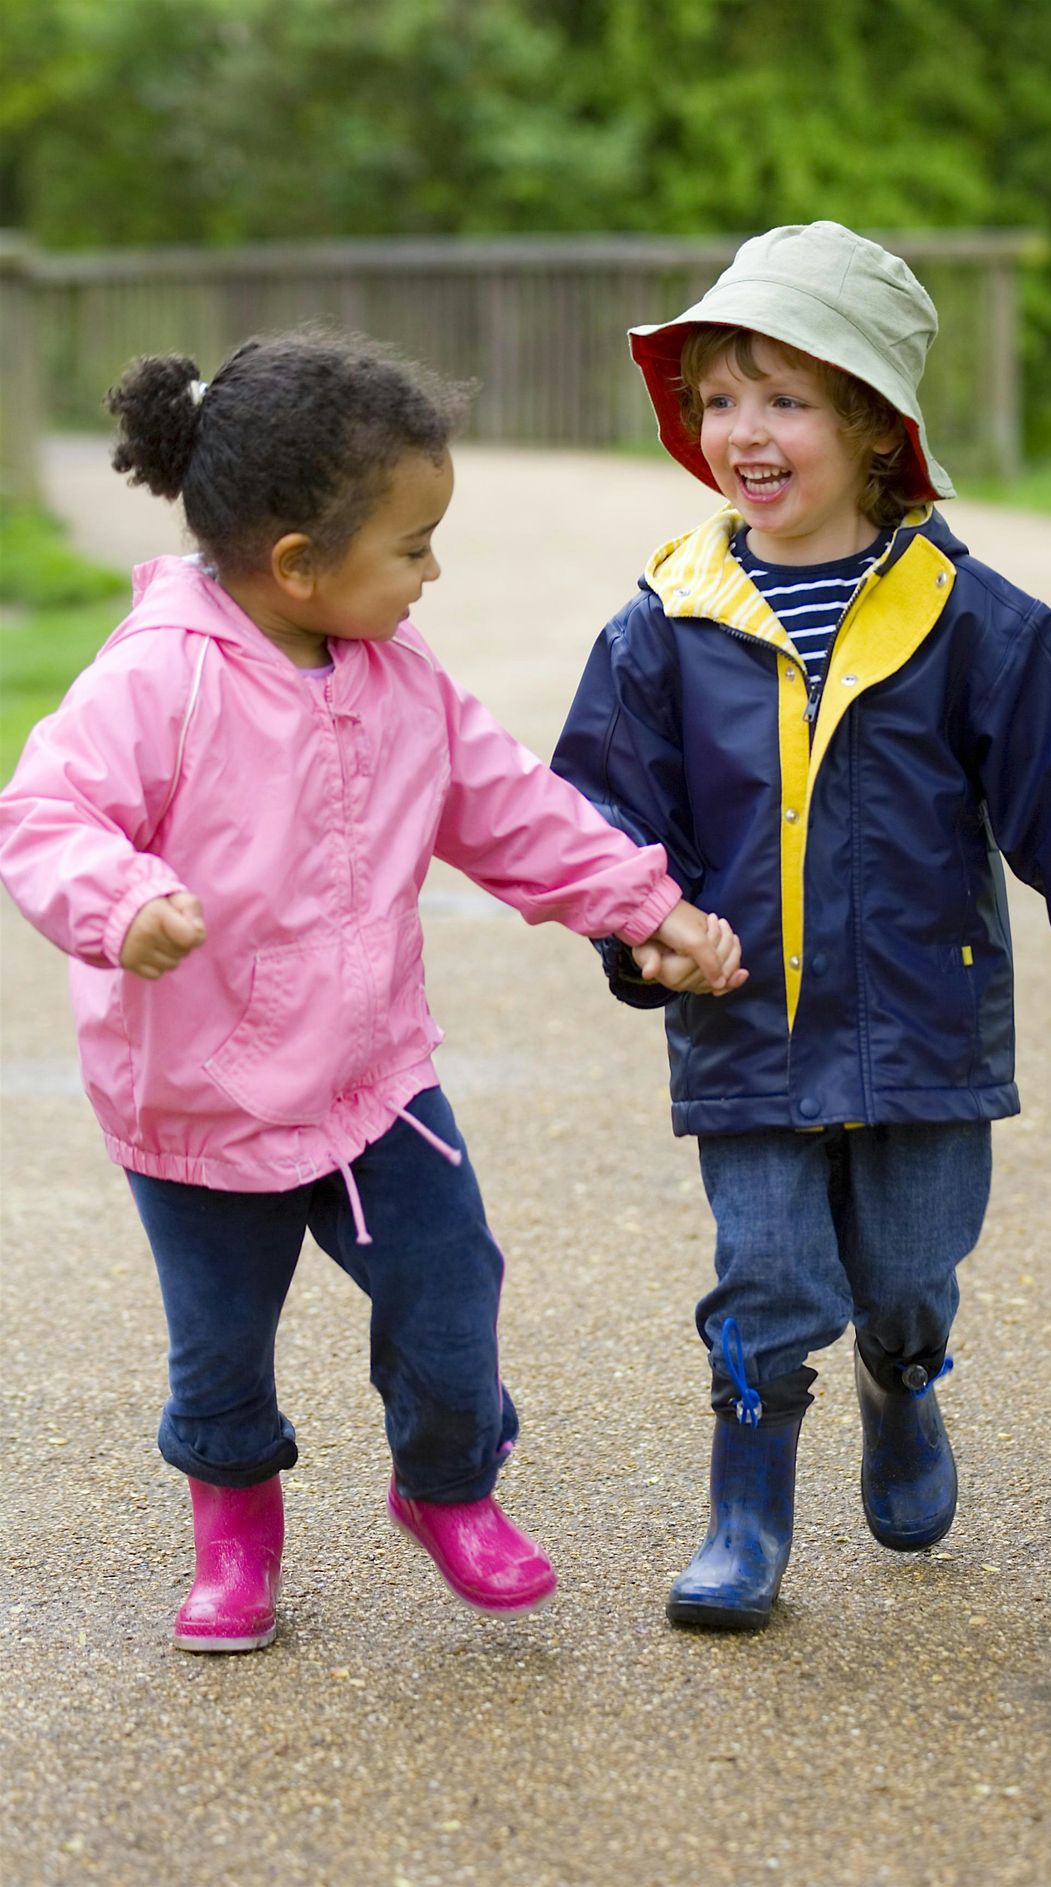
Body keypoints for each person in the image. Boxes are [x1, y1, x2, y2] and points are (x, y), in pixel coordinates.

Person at [0, 328, 746, 1654]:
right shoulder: (156, 680)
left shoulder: (404, 690)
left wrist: (645, 906)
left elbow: (514, 810)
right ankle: (234, 1543)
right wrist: (121, 905)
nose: (432, 572)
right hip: (199, 1112)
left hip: (371, 1083)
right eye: (410, 547)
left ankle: (447, 1489)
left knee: (452, 1292)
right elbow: (45, 815)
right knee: (220, 1349)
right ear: (298, 565)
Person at [552, 221, 1051, 1632]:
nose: (741, 433)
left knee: (907, 1269)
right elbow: (594, 804)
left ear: (874, 427)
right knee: (769, 1273)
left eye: (784, 400)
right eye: (719, 398)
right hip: (747, 1014)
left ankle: (905, 1378)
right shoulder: (664, 621)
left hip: (919, 1017)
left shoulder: (975, 622)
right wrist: (637, 922)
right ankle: (746, 1514)